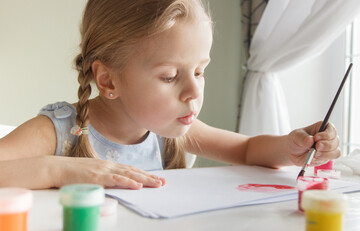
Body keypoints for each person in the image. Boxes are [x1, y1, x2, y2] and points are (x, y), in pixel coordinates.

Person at [0, 0, 340, 190]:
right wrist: (56, 171)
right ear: (108, 81)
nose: (193, 92)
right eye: (169, 76)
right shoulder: (61, 132)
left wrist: (292, 146)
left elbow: (247, 149)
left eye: (199, 71)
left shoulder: (170, 131)